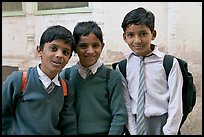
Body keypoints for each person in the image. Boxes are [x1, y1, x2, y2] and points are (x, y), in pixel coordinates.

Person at [114, 7, 183, 135]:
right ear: (124, 37)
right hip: (135, 124)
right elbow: (126, 103)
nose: (137, 40)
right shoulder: (122, 67)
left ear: (153, 34)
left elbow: (176, 102)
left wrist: (169, 131)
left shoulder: (168, 63)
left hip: (163, 123)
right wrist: (133, 131)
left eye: (143, 34)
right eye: (131, 35)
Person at [2, 25, 77, 135]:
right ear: (39, 51)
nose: (59, 55)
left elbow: (68, 125)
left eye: (65, 52)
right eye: (54, 48)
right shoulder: (19, 80)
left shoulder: (66, 89)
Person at [60, 21, 128, 135]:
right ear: (75, 48)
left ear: (102, 46)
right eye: (83, 46)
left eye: (95, 45)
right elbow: (62, 114)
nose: (90, 51)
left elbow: (119, 115)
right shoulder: (66, 76)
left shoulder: (111, 77)